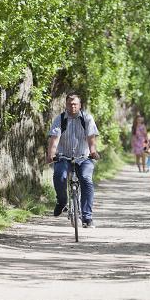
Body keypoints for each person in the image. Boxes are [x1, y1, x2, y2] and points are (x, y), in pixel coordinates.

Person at [47, 93, 100, 228]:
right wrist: (51, 154)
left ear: (80, 105)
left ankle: (87, 217)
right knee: (60, 175)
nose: (73, 106)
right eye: (70, 104)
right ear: (66, 105)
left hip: (83, 157)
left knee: (86, 179)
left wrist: (93, 152)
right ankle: (62, 201)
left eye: (75, 104)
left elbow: (91, 137)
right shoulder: (60, 119)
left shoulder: (86, 118)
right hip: (64, 156)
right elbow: (54, 138)